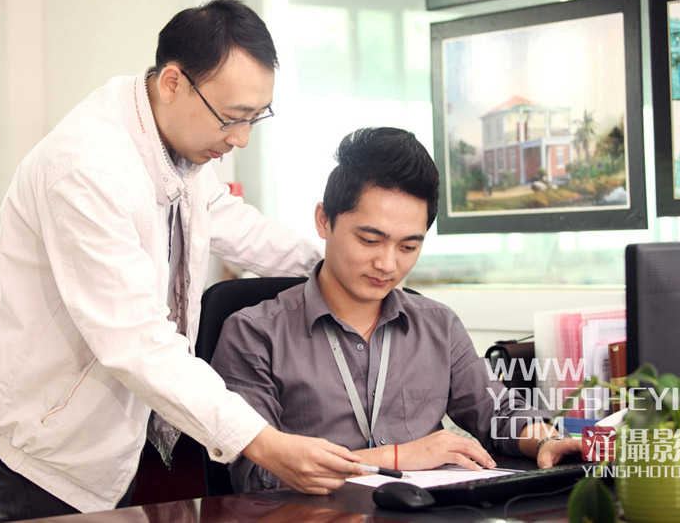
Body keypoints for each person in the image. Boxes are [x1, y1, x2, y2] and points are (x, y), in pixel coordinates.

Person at [0, 0, 361, 521]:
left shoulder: (171, 138)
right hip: (36, 448)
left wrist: (337, 266)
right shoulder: (87, 170)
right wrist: (263, 442)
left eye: (255, 118)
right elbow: (137, 341)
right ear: (172, 82)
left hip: (98, 433)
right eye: (232, 118)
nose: (240, 139)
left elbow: (232, 222)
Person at [211, 127, 582, 493]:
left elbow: (498, 413)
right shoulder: (254, 334)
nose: (387, 264)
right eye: (369, 240)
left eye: (408, 247)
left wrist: (545, 440)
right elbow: (257, 476)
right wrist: (397, 457)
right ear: (324, 220)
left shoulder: (438, 325)